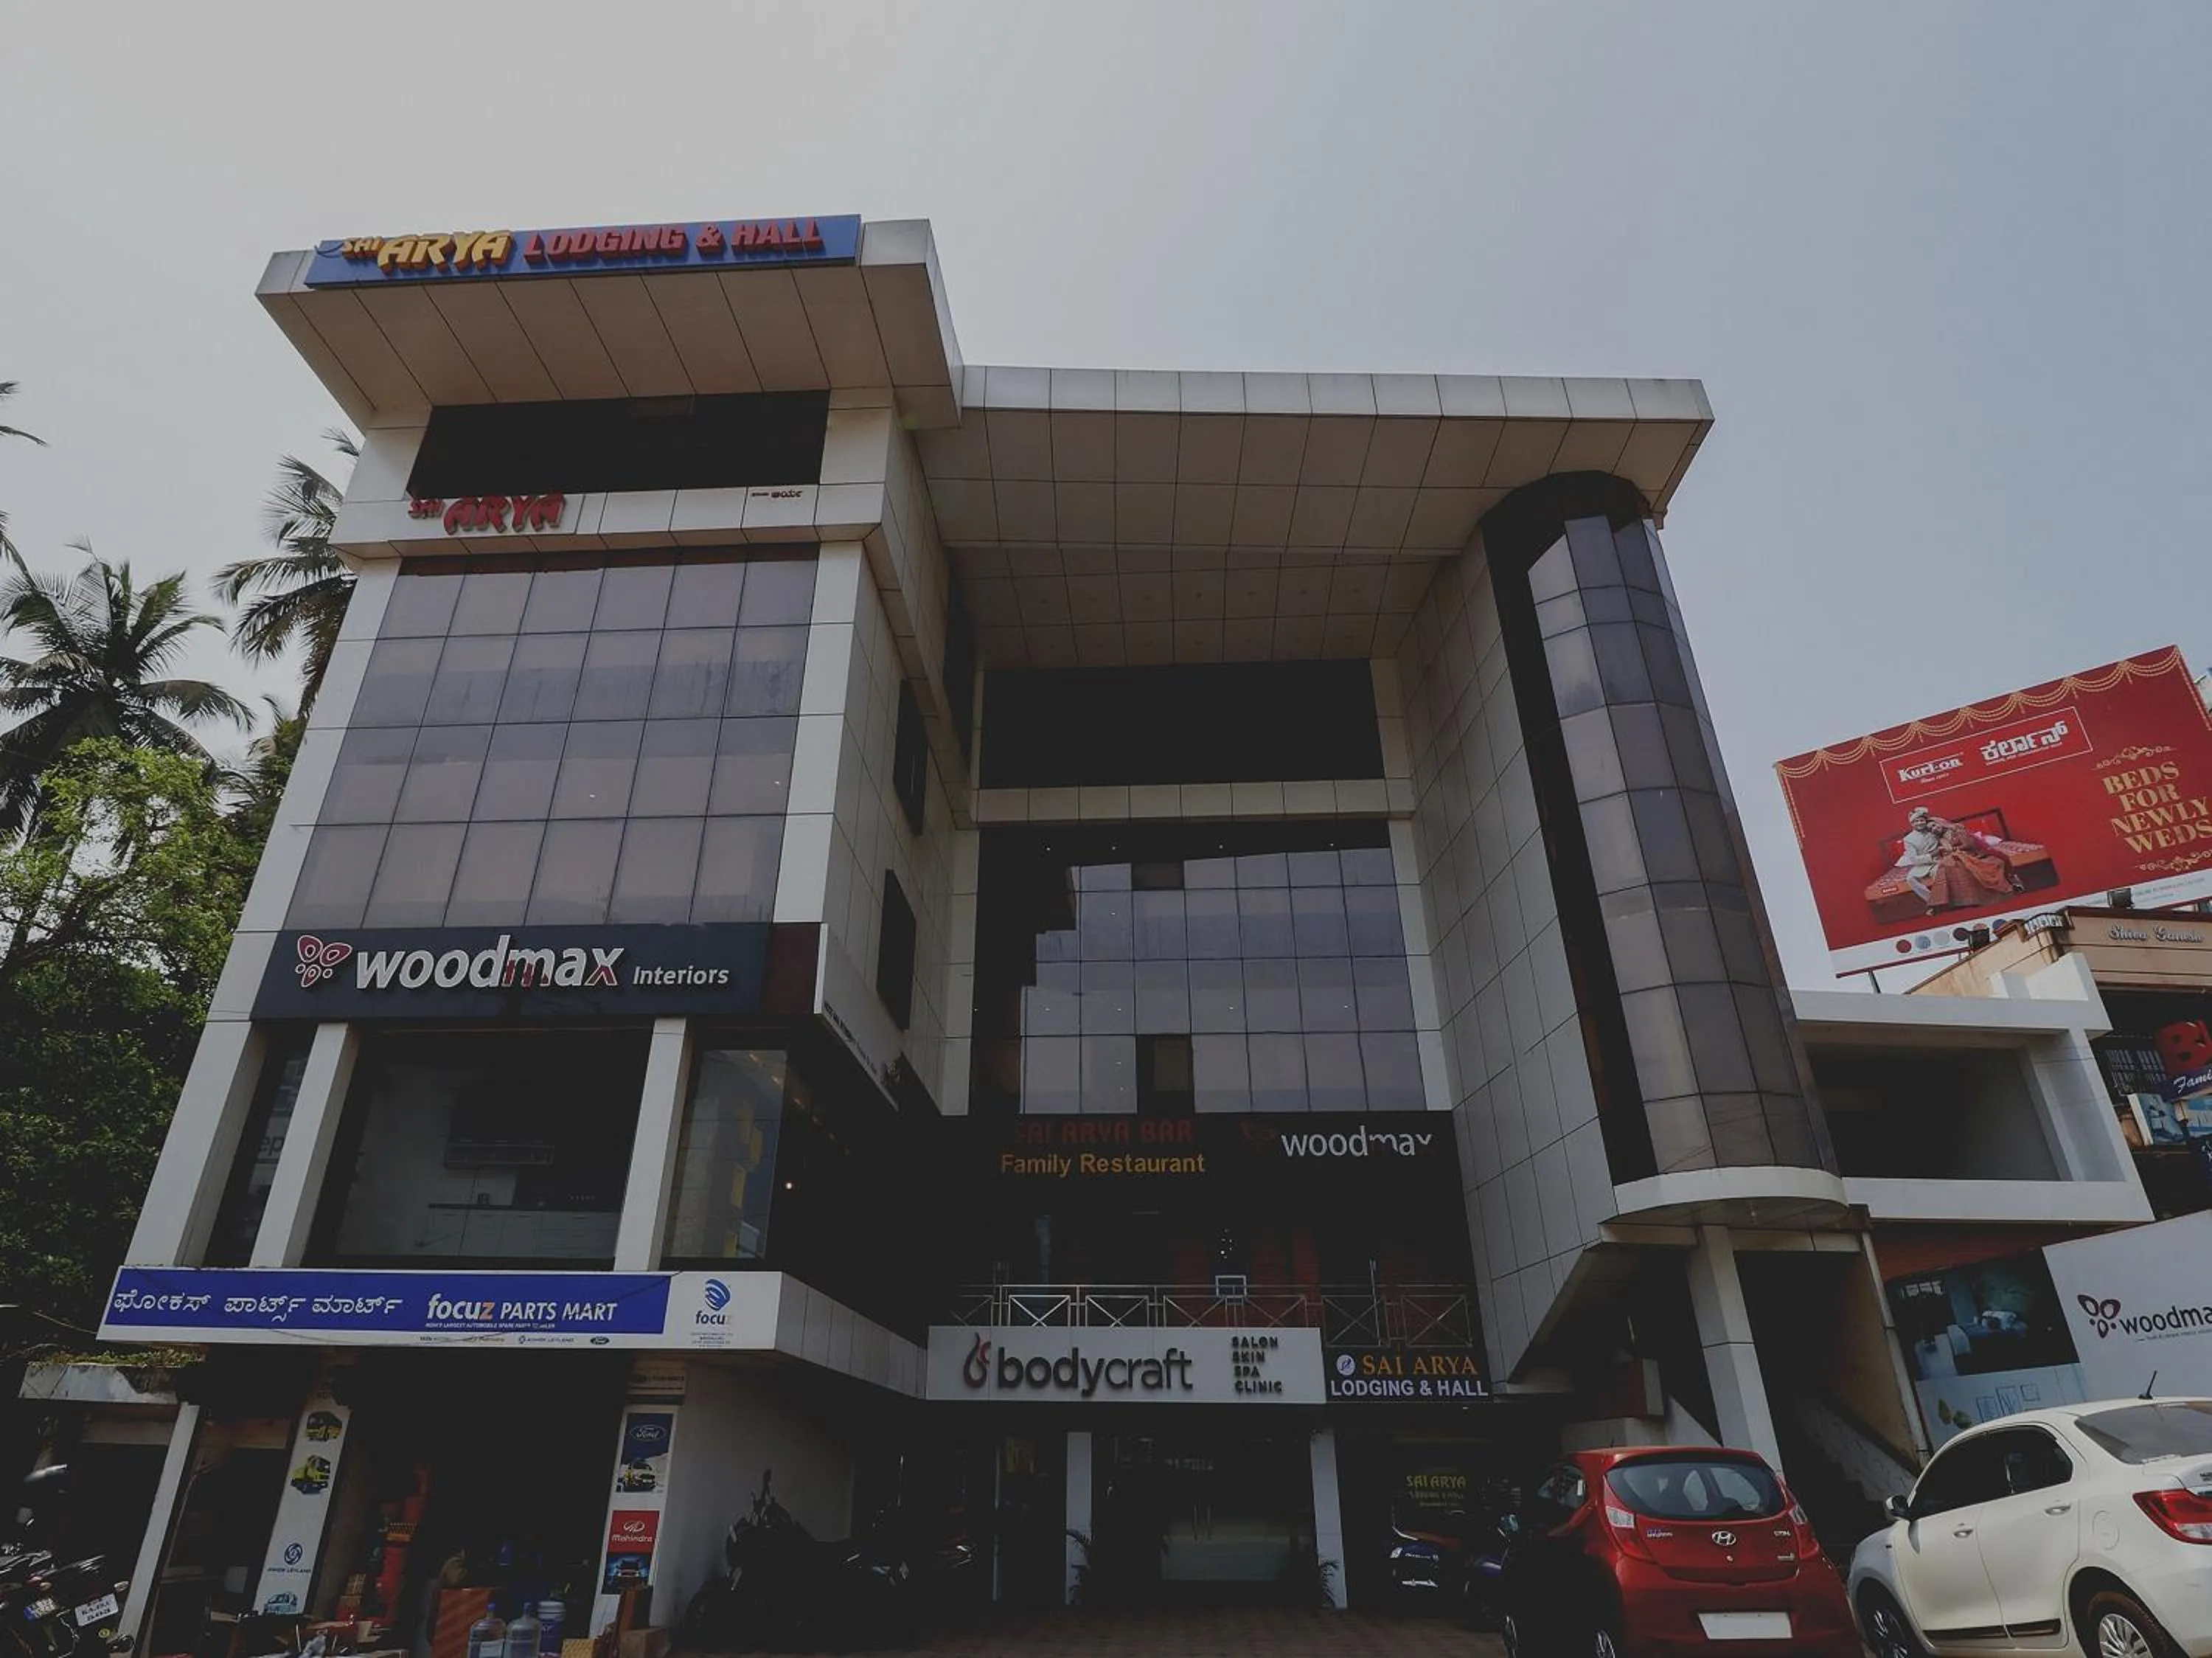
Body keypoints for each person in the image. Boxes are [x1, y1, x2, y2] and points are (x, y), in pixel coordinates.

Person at [1896, 807, 2016, 912]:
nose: (1920, 823)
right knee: (1911, 879)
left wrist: (1951, 850)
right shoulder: (1909, 839)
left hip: (1946, 857)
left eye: (1921, 820)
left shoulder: (1943, 830)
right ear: (1912, 824)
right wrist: (1935, 854)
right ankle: (1931, 903)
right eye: (1916, 821)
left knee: (1951, 868)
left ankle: (1959, 900)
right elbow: (1913, 859)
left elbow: (1967, 842)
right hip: (1925, 862)